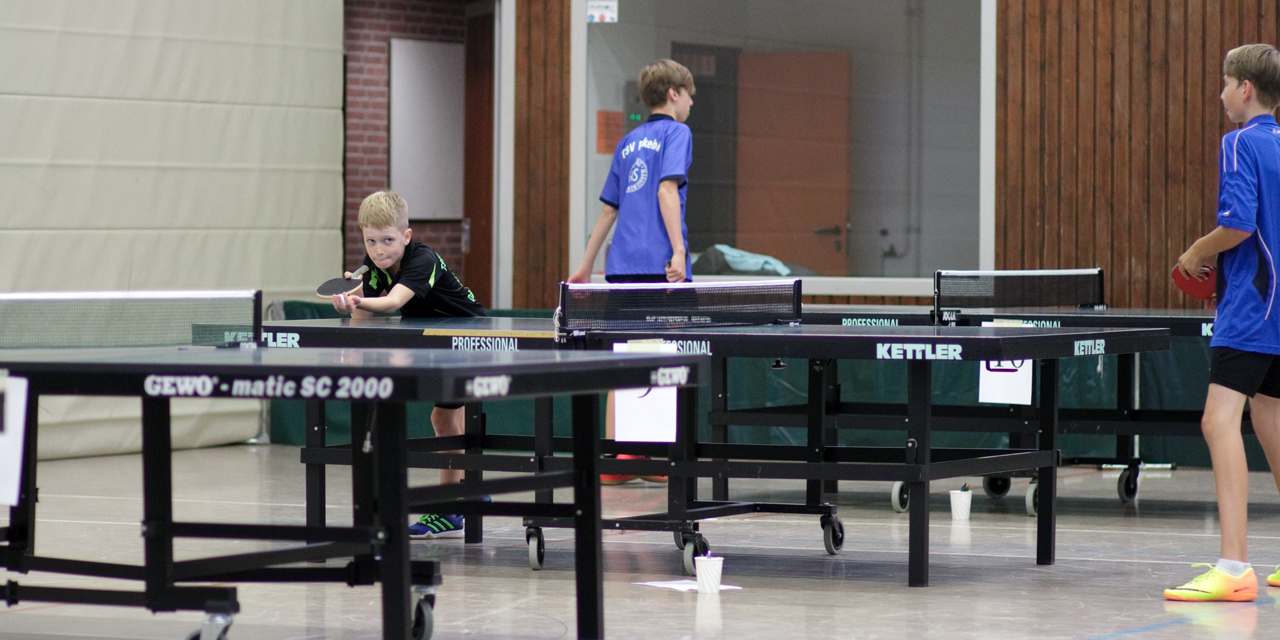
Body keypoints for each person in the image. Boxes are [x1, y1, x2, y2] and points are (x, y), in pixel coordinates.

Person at [1166, 44, 1280, 601]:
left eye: (1226, 83)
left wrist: (1195, 251)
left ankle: (1234, 567)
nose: (1221, 94)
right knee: (1273, 419)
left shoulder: (1239, 142)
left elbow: (1237, 225)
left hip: (1252, 310)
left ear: (1246, 89)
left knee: (1218, 422)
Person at [568, 59, 695, 484]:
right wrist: (678, 252)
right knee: (662, 358)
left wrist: (585, 267)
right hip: (660, 267)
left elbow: (609, 211)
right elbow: (666, 190)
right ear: (674, 94)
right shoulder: (677, 133)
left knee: (623, 356)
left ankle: (619, 457)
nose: (691, 103)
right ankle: (655, 458)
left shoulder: (627, 141)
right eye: (689, 95)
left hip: (621, 267)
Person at [333, 190, 486, 538]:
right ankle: (466, 490)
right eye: (371, 241)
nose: (378, 250)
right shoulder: (373, 266)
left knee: (443, 419)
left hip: (469, 338)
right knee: (447, 420)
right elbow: (362, 315)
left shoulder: (422, 259)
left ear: (406, 236)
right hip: (434, 340)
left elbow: (390, 303)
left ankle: (450, 505)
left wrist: (359, 301)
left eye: (387, 240)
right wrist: (354, 301)